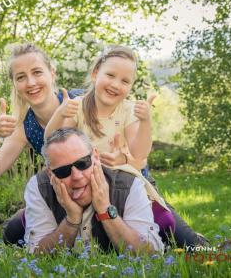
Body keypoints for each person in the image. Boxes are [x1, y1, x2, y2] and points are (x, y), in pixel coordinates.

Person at [45, 45, 206, 247]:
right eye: (110, 75)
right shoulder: (78, 107)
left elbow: (139, 155)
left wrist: (145, 122)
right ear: (96, 73)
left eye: (125, 81)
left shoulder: (128, 110)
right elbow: (51, 141)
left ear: (130, 86)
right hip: (90, 187)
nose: (115, 84)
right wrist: (61, 113)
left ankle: (198, 244)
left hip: (131, 186)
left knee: (170, 224)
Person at [0, 43, 81, 245]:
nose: (31, 82)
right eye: (21, 77)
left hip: (102, 188)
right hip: (64, 196)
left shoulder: (79, 101)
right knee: (13, 230)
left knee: (162, 225)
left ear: (52, 73)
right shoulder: (25, 126)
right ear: (15, 84)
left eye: (37, 72)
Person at [24, 127, 164, 254]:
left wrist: (105, 210)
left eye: (82, 163)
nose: (77, 176)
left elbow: (151, 255)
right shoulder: (39, 186)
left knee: (172, 226)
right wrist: (72, 220)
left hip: (151, 209)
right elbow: (36, 255)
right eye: (63, 171)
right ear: (50, 174)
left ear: (95, 156)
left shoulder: (129, 184)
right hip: (33, 217)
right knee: (12, 231)